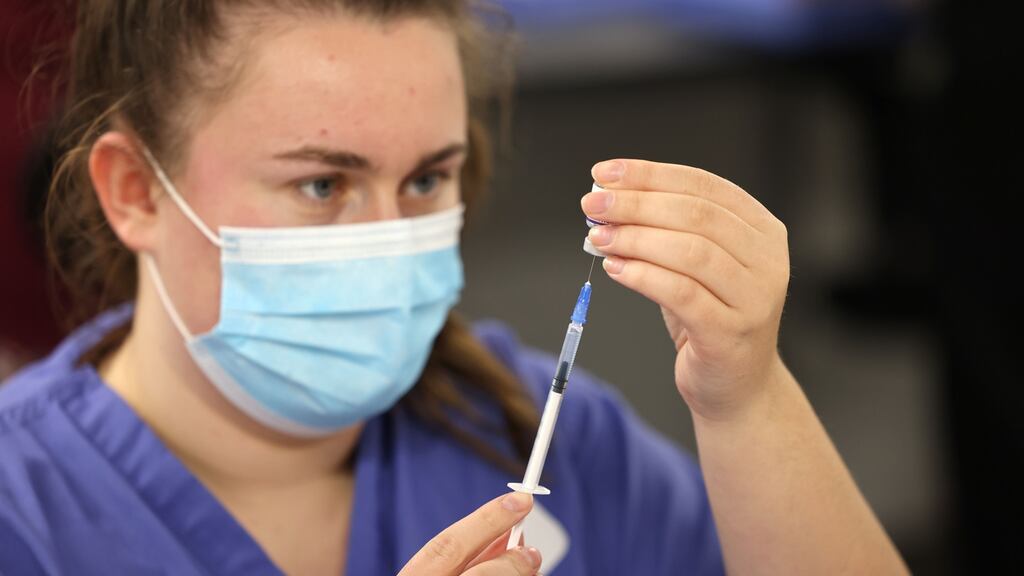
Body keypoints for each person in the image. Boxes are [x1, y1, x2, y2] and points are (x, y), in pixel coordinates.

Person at [0, 1, 910, 574]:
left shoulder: (538, 435)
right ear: (133, 191)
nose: (391, 237)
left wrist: (749, 399)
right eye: (322, 184)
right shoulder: (24, 513)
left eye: (428, 179)